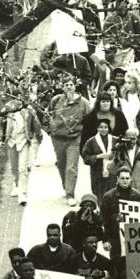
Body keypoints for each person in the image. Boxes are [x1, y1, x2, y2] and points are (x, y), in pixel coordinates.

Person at [46, 75, 96, 207]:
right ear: (62, 87)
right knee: (62, 164)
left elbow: (90, 120)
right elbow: (46, 115)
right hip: (58, 138)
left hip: (75, 138)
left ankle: (70, 193)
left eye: (71, 84)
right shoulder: (56, 100)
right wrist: (50, 130)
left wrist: (85, 135)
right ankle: (66, 186)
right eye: (66, 85)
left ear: (75, 86)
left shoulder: (83, 102)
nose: (69, 87)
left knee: (71, 167)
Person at [4, 96, 40, 206]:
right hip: (11, 141)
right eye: (15, 98)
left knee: (23, 168)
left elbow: (36, 123)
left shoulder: (28, 110)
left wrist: (37, 135)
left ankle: (23, 194)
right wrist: (0, 137)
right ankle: (16, 184)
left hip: (23, 140)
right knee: (14, 167)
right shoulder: (7, 110)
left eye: (20, 98)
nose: (18, 100)